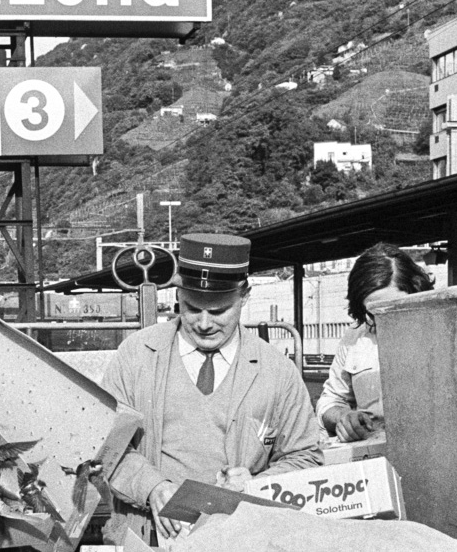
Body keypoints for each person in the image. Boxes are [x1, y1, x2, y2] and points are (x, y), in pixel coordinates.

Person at [102, 233, 322, 545]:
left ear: (244, 296)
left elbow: (305, 457)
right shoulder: (136, 355)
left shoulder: (278, 373)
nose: (204, 323)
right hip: (148, 536)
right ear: (178, 293)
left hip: (243, 541)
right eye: (192, 309)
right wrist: (152, 487)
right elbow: (106, 446)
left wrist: (258, 485)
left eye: (218, 311)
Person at [316, 243, 433, 442]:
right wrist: (343, 417)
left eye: (394, 307)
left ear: (417, 290)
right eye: (373, 312)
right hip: (373, 448)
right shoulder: (354, 337)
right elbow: (330, 399)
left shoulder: (445, 331)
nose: (384, 319)